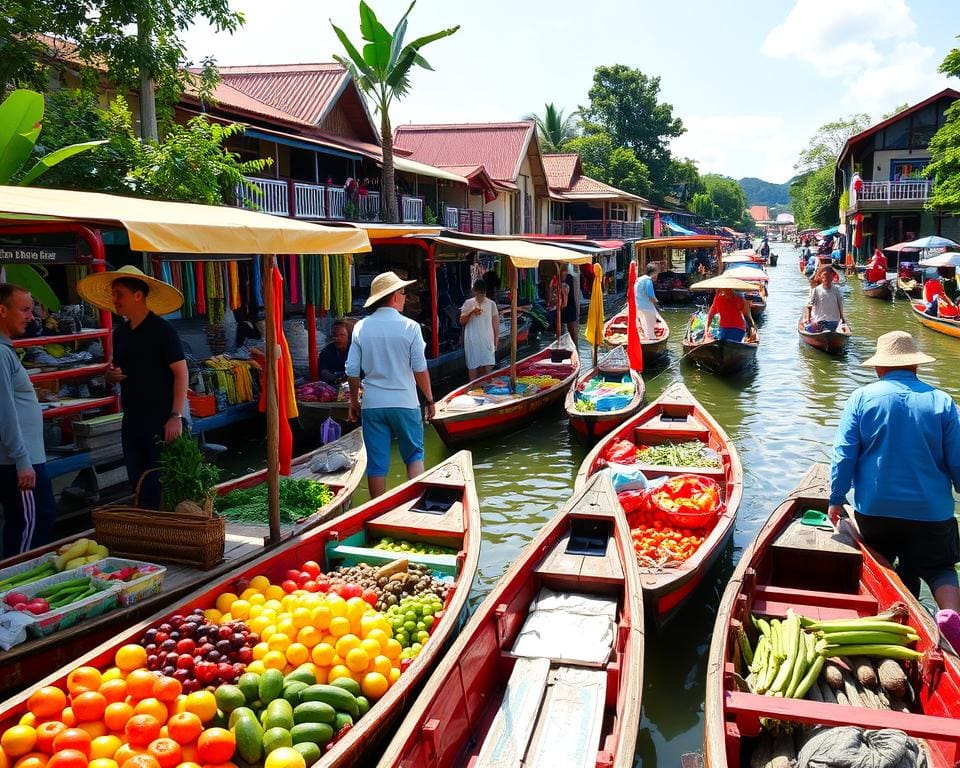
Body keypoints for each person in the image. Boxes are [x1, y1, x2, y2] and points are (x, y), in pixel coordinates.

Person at [829, 331, 960, 613]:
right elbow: (958, 461)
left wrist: (836, 498)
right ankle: (951, 615)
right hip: (931, 513)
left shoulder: (861, 398)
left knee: (882, 560)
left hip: (876, 513)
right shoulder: (942, 401)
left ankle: (888, 606)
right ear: (915, 365)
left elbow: (844, 454)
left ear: (879, 367)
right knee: (941, 569)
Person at [77, 265, 187, 509]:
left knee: (164, 482)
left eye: (120, 294)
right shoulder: (121, 333)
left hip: (162, 417)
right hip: (133, 417)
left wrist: (175, 416)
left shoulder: (163, 331)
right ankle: (146, 530)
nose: (115, 300)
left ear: (138, 295)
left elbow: (181, 373)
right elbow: (117, 371)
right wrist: (111, 375)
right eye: (114, 294)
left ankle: (169, 532)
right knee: (137, 480)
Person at [346, 271, 435, 499]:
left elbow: (352, 370)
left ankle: (377, 512)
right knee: (414, 456)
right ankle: (417, 506)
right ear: (395, 296)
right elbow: (419, 369)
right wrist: (430, 399)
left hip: (373, 404)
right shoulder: (411, 327)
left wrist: (354, 401)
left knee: (377, 464)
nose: (406, 297)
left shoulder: (360, 327)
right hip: (405, 402)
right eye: (404, 293)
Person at [0, 284, 57, 557]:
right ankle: (14, 587)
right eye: (23, 309)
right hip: (19, 462)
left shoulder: (5, 351)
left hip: (24, 459)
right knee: (30, 525)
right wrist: (22, 460)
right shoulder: (0, 354)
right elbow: (4, 411)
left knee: (35, 519)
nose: (31, 316)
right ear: (2, 310)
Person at [460, 279, 498, 380]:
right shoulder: (468, 303)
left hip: (487, 340)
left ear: (485, 292)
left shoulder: (491, 304)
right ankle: (472, 388)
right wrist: (471, 311)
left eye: (482, 294)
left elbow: (496, 325)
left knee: (487, 366)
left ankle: (486, 389)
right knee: (473, 366)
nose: (480, 296)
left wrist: (496, 342)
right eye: (478, 294)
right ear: (474, 292)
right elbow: (462, 321)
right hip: (472, 340)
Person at [804, 267, 846, 332]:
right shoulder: (816, 290)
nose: (827, 278)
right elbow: (809, 305)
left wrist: (842, 319)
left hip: (833, 321)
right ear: (821, 277)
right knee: (808, 329)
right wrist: (808, 318)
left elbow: (840, 305)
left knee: (828, 329)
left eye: (829, 276)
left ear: (832, 277)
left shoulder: (837, 290)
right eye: (825, 275)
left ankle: (826, 332)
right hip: (818, 320)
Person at [318, 320, 351, 385]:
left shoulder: (355, 350)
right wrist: (334, 378)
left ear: (348, 336)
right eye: (335, 335)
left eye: (342, 335)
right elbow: (322, 369)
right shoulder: (328, 350)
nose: (338, 338)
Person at [550, 263, 579, 339]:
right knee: (567, 330)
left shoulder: (568, 278)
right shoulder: (558, 278)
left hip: (566, 305)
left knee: (567, 329)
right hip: (564, 305)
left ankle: (570, 345)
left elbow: (564, 302)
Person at [633, 263, 661, 339]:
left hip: (638, 306)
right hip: (646, 306)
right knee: (650, 323)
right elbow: (651, 295)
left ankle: (645, 337)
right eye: (657, 273)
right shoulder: (648, 280)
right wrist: (657, 302)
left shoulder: (639, 279)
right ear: (654, 272)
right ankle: (651, 338)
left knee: (644, 322)